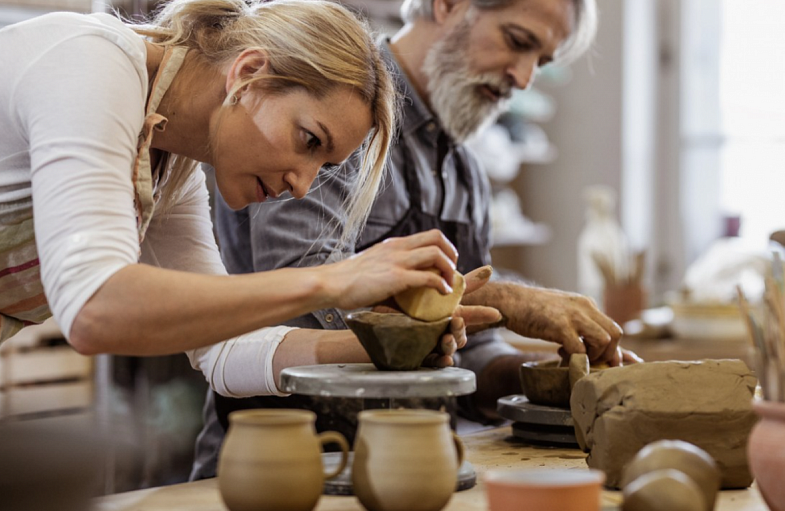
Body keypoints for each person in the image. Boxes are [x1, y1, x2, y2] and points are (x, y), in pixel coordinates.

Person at [190, 0, 641, 480]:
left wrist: (537, 378)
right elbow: (304, 300)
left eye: (542, 61)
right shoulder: (334, 113)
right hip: (281, 466)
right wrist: (505, 299)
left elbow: (458, 349)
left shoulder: (464, 169)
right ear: (446, 6)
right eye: (518, 41)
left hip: (410, 468)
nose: (525, 77)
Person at [0, 0, 485, 417]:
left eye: (324, 165)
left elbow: (222, 354)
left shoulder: (170, 167)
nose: (303, 186)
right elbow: (94, 309)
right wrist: (334, 280)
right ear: (248, 74)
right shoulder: (90, 66)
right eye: (309, 140)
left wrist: (389, 345)